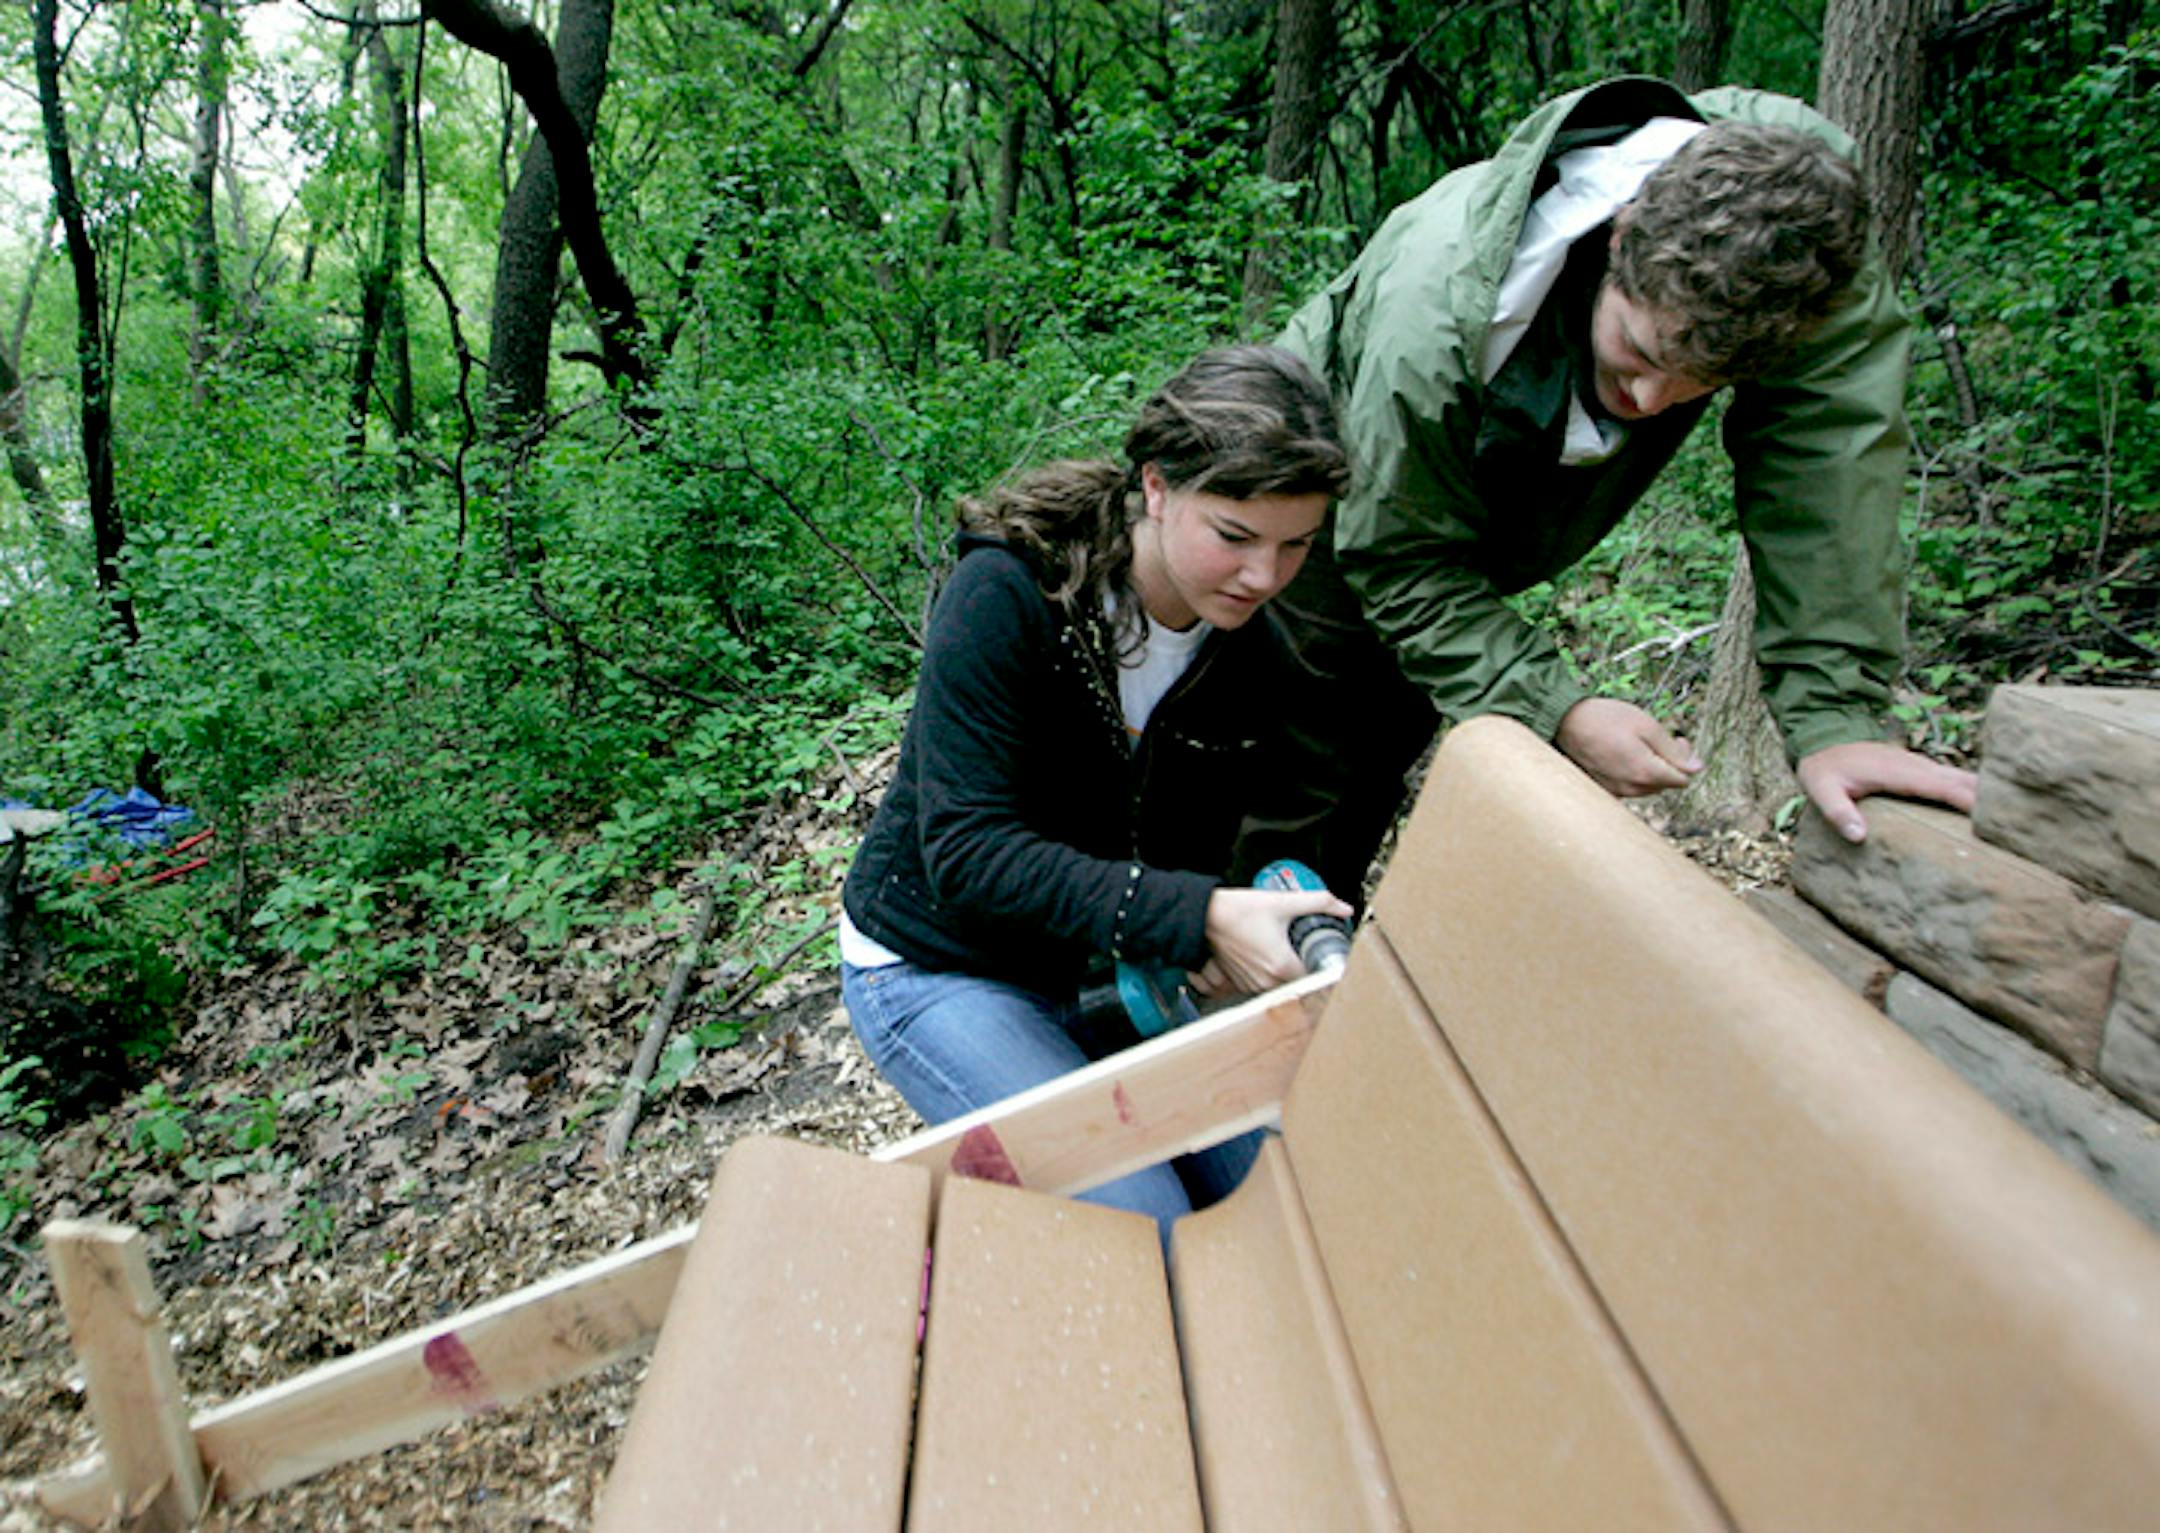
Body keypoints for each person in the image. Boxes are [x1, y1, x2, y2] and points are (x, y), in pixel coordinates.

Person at [1246, 76, 1978, 902]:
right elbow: (1402, 558)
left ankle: (1310, 950)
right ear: (1621, 235)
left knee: (1389, 729)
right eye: (1637, 351)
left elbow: (1831, 458)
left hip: (1463, 509)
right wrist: (1560, 707)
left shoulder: (1797, 233)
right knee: (1296, 746)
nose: (1651, 403)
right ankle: (1214, 975)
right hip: (1317, 478)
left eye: (1700, 381)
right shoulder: (1434, 326)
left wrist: (1834, 716)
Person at [840, 345, 1354, 1228]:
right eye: (1234, 536)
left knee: (1281, 1177)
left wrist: (1225, 943)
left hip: (1098, 967)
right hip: (936, 964)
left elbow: (1195, 852)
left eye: (1296, 545)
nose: (1264, 576)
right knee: (1136, 1210)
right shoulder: (1008, 592)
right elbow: (967, 854)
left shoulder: (1254, 655)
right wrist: (1196, 918)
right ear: (1155, 486)